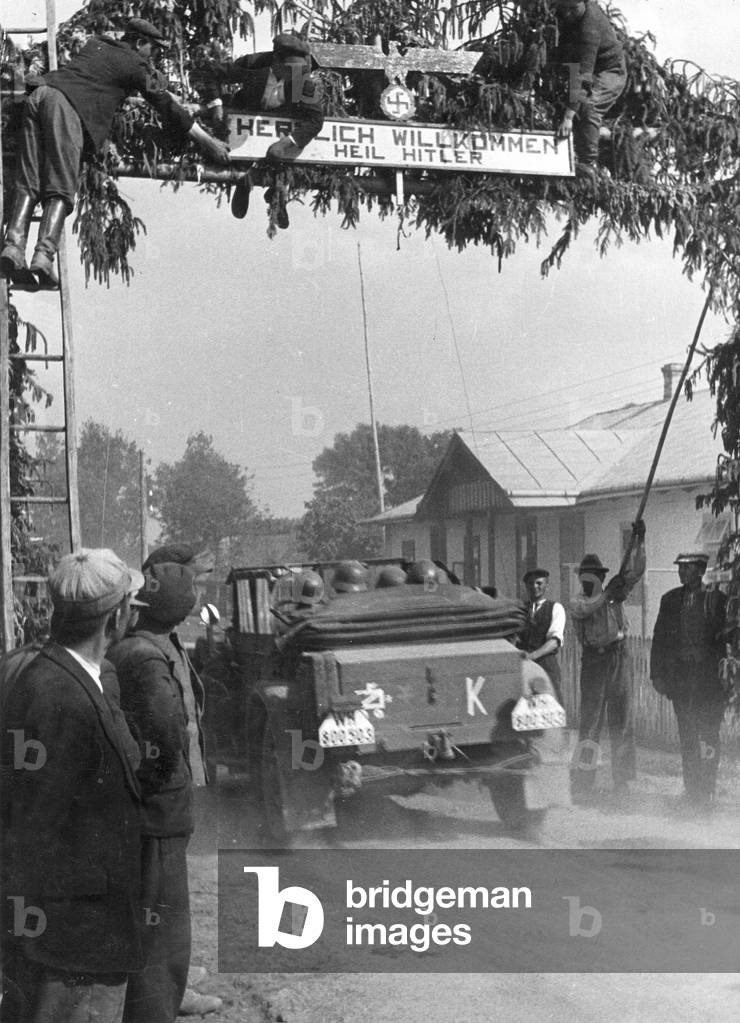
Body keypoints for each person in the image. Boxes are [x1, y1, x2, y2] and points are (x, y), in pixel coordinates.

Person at [1, 549, 146, 1023]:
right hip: (74, 941)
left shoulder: (52, 675)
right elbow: (34, 823)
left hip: (75, 928)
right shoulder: (61, 696)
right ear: (117, 616)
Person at [1, 18, 229, 291]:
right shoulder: (134, 63)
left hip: (39, 96)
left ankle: (13, 248)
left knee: (29, 180)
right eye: (153, 50)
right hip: (66, 108)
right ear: (139, 43)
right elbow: (167, 105)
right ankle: (43, 256)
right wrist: (209, 142)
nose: (153, 57)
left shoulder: (97, 44)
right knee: (61, 188)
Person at [107, 560, 220, 1021]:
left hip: (164, 801)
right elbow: (162, 732)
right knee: (160, 912)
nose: (194, 597)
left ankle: (169, 991)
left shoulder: (155, 644)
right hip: (158, 806)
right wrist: (155, 791)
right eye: (188, 590)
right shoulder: (144, 654)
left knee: (163, 909)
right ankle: (158, 1003)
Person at [202, 32, 324, 225]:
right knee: (242, 158)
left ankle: (276, 193)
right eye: (289, 69)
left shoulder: (302, 79)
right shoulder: (253, 64)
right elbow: (210, 72)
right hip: (247, 119)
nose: (294, 75)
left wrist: (288, 142)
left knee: (280, 157)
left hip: (277, 126)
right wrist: (215, 104)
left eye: (298, 70)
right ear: (276, 60)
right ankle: (244, 183)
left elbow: (316, 119)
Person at [568, 520, 646, 800]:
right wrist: (608, 593)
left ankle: (622, 781)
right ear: (582, 579)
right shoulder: (578, 601)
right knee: (590, 723)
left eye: (596, 575)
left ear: (601, 576)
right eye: (587, 575)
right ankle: (584, 782)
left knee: (622, 720)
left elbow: (635, 573)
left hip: (619, 658)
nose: (591, 579)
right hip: (594, 663)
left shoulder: (614, 596)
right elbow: (589, 608)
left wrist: (638, 542)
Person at [650, 552, 728, 810]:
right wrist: (657, 675)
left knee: (708, 736)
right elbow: (659, 639)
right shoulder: (670, 600)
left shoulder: (718, 600)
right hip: (681, 681)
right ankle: (692, 790)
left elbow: (728, 639)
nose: (681, 572)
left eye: (687, 568)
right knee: (688, 737)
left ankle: (708, 789)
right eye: (680, 568)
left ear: (701, 570)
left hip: (709, 683)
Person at [552, 0, 626, 172]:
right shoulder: (564, 13)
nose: (568, 14)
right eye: (565, 8)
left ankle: (588, 164)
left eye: (573, 9)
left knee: (589, 107)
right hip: (584, 66)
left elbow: (582, 75)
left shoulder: (589, 29)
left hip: (610, 70)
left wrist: (568, 117)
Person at [519, 568, 566, 706]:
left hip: (546, 665)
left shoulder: (555, 608)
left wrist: (532, 656)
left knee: (550, 707)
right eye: (531, 584)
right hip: (524, 666)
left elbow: (554, 641)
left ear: (547, 586)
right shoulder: (521, 610)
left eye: (539, 583)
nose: (534, 587)